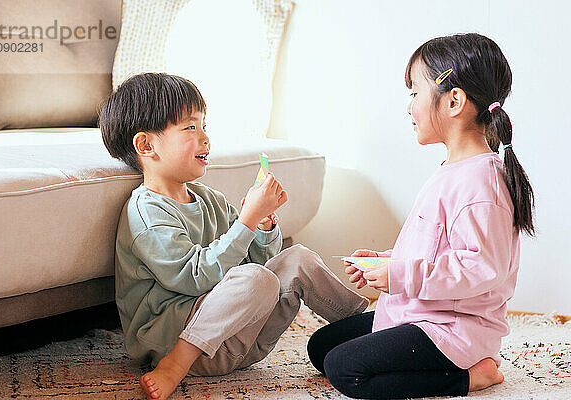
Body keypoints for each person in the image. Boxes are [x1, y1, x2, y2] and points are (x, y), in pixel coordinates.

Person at [99, 73, 369, 400]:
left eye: (204, 126)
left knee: (297, 257)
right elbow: (194, 278)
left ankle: (369, 325)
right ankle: (176, 364)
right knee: (257, 279)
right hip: (181, 342)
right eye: (190, 127)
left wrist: (262, 227)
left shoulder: (209, 199)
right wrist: (247, 222)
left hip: (242, 338)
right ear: (146, 145)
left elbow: (259, 265)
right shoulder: (146, 212)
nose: (205, 138)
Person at [307, 33, 535, 399]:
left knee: (344, 370)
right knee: (321, 347)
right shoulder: (453, 169)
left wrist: (399, 274)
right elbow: (433, 247)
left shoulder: (481, 183)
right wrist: (386, 261)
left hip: (455, 328)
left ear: (454, 100)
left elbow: (480, 269)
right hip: (423, 312)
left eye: (414, 93)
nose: (409, 106)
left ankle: (473, 376)